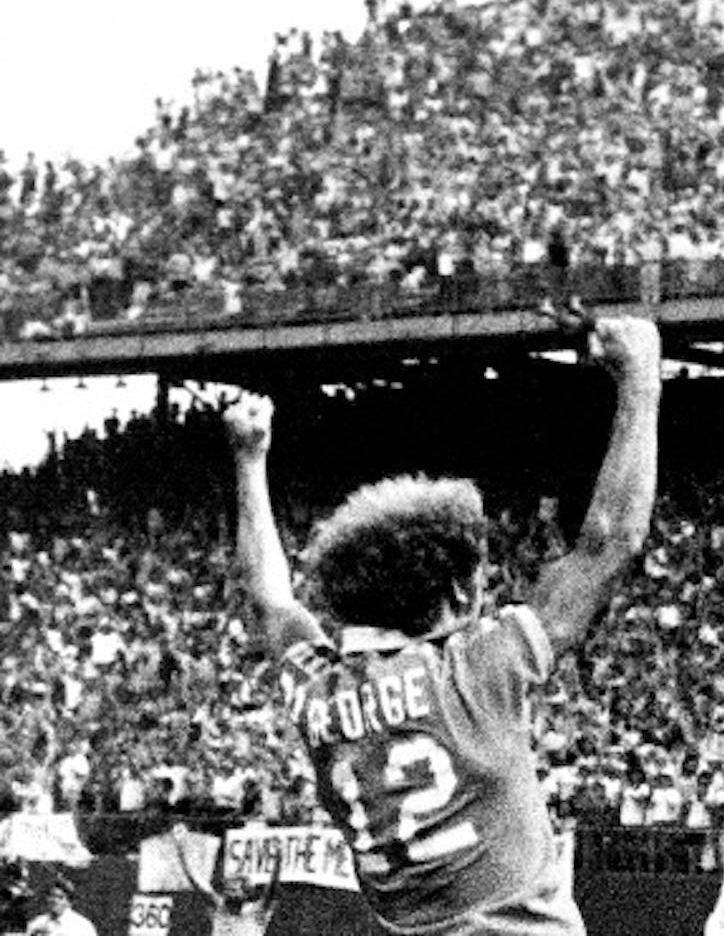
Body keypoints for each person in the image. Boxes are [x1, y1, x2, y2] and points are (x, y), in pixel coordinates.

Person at [225, 313, 661, 936]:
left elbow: (269, 596)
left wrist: (248, 460)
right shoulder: (475, 672)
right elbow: (610, 540)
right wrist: (642, 376)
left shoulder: (315, 687)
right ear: (456, 590)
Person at [172, 824, 282, 936]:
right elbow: (195, 879)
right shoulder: (218, 909)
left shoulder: (257, 913)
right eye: (228, 889)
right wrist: (181, 847)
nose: (229, 893)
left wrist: (278, 858)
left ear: (246, 893)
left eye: (234, 890)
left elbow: (272, 888)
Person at [23, 879, 95, 936]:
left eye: (60, 897)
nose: (54, 900)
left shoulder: (81, 926)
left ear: (69, 902)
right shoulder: (37, 923)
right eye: (51, 896)